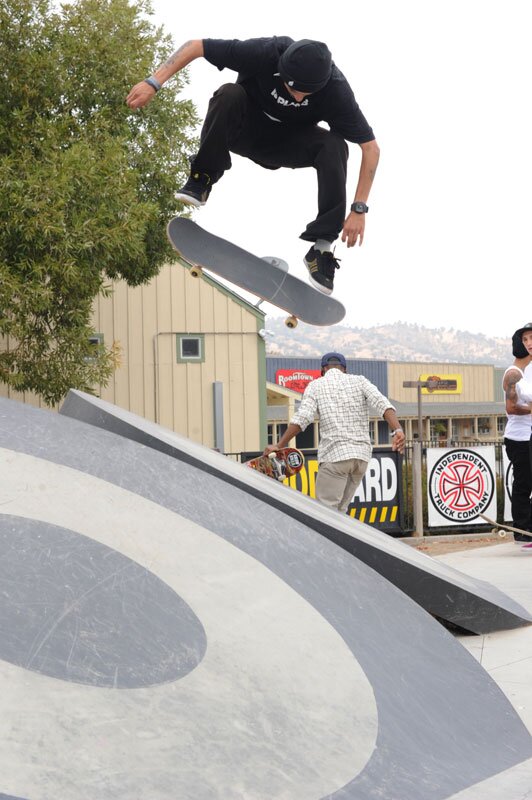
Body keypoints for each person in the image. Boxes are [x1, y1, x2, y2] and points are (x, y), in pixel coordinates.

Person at [126, 37, 379, 295]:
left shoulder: (337, 91)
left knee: (336, 145)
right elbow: (196, 46)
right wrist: (153, 82)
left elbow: (371, 149)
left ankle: (321, 248)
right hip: (243, 130)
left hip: (286, 145)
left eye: (306, 94)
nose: (298, 97)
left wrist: (359, 209)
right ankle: (202, 178)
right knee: (229, 93)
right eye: (292, 89)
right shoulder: (264, 52)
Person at [264, 352, 405, 514]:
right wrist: (397, 429)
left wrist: (279, 445)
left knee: (326, 514)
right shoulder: (360, 381)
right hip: (361, 459)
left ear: (322, 370)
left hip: (335, 457)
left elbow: (303, 418)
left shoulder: (316, 385)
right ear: (344, 369)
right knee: (340, 512)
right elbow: (382, 404)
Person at [502, 323, 532, 546]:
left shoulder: (528, 372)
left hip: (527, 436)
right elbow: (511, 408)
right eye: (525, 340)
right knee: (523, 483)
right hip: (519, 438)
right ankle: (521, 529)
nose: (528, 343)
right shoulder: (514, 373)